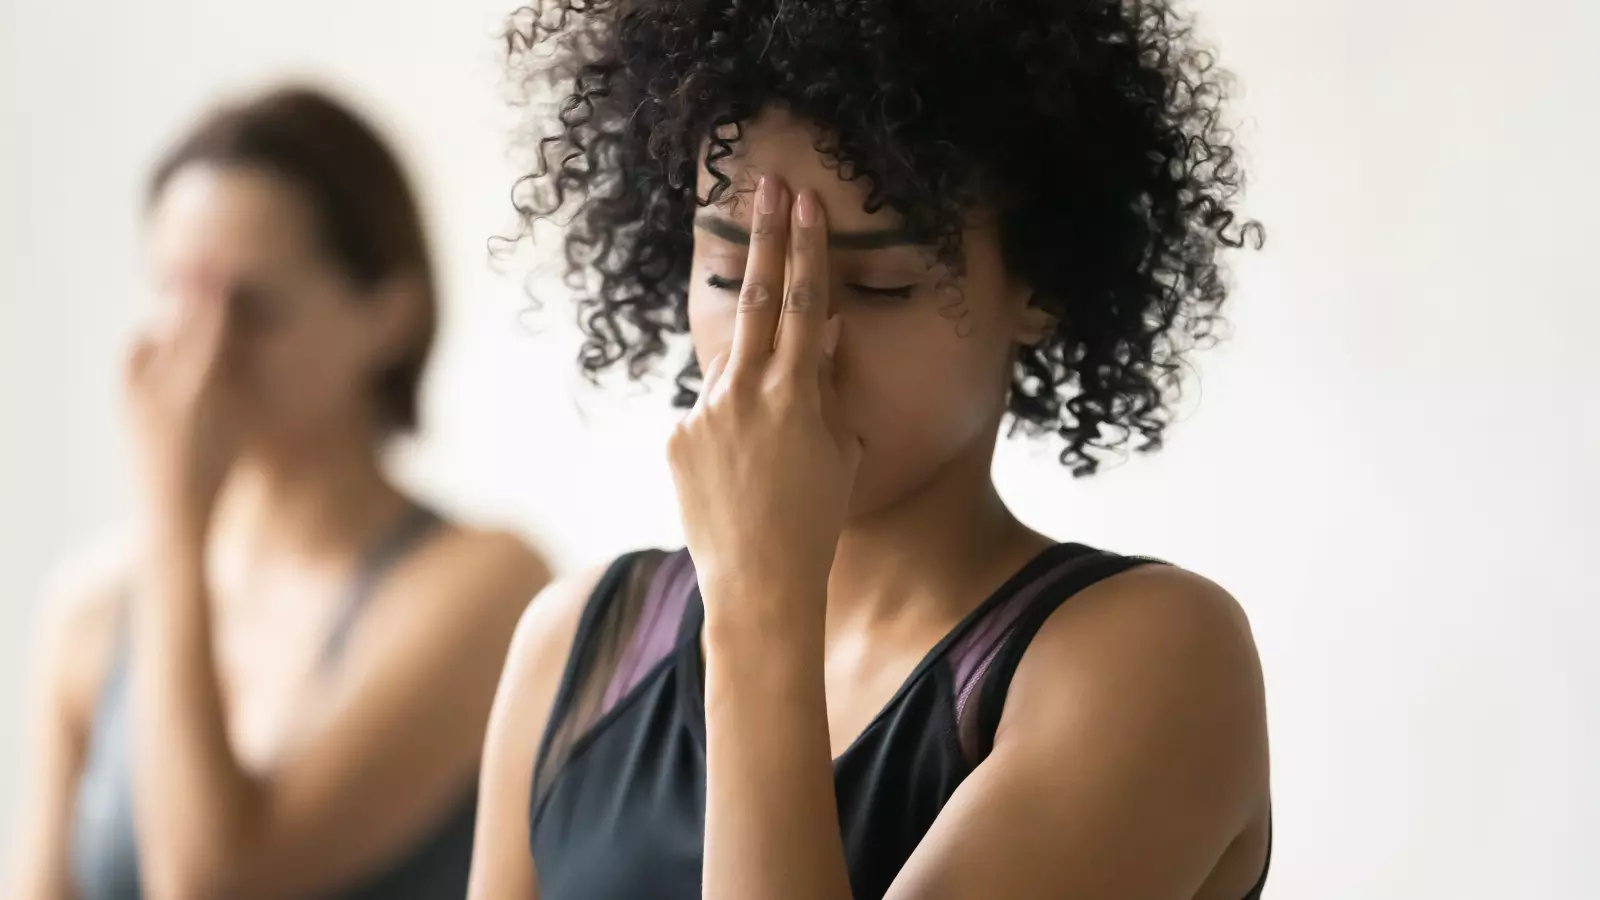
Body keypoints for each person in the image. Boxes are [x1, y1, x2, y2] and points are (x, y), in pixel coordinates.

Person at [471, 1, 1270, 898]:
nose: (787, 342)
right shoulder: (577, 643)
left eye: (880, 286)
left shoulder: (1145, 660)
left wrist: (762, 599)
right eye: (731, 275)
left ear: (1038, 284)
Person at [6, 87, 550, 900]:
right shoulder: (90, 611)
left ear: (389, 316)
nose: (203, 352)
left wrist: (175, 516)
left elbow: (211, 879)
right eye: (175, 297)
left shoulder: (486, 587)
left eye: (251, 307)